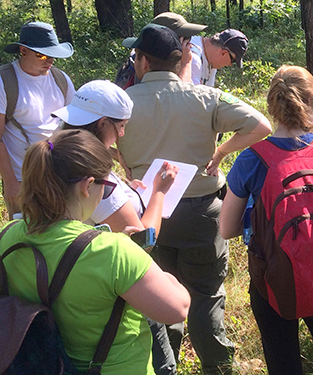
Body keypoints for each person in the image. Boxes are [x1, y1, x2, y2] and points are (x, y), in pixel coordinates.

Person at [118, 24, 272, 375]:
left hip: (145, 215)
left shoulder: (123, 102)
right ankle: (217, 368)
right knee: (205, 296)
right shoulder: (205, 97)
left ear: (141, 61)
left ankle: (164, 366)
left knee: (155, 296)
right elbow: (261, 125)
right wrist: (219, 152)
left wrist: (122, 159)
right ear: (179, 60)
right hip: (202, 213)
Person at [1, 129, 190, 375]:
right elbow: (177, 309)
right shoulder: (114, 252)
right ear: (88, 186)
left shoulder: (8, 234)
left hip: (39, 364)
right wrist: (144, 262)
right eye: (109, 185)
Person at [220, 65, 313, 375]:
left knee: (283, 362)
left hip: (272, 275)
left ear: (272, 106)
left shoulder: (252, 159)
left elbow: (227, 229)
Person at [52, 80, 180, 375]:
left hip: (69, 284)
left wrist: (127, 189)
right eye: (120, 126)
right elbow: (142, 238)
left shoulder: (56, 153)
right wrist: (159, 191)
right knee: (164, 365)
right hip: (119, 292)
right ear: (102, 123)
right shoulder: (95, 179)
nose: (122, 133)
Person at [0, 21, 75, 219]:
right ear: (23, 51)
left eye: (53, 55)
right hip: (21, 178)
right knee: (26, 240)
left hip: (59, 177)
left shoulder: (61, 80)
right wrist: (9, 183)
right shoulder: (5, 81)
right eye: (42, 55)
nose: (49, 60)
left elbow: (76, 128)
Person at [116, 12, 207, 89]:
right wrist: (185, 64)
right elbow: (184, 99)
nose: (189, 45)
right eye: (185, 39)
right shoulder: (148, 66)